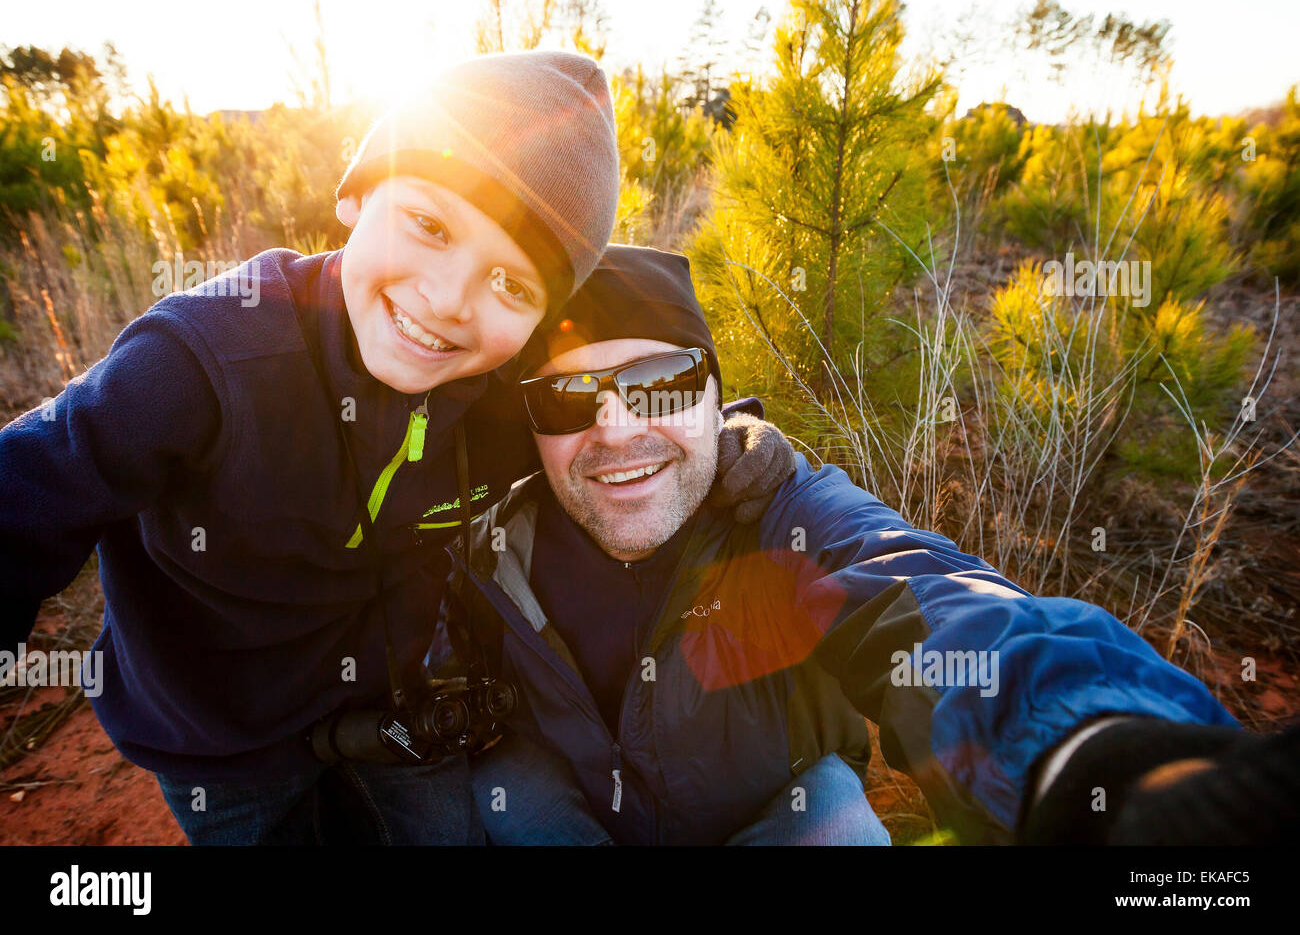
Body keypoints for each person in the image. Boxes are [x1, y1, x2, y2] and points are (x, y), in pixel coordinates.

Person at [0, 53, 787, 845]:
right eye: (430, 226)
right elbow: (27, 494)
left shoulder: (503, 396)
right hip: (221, 744)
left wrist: (731, 438)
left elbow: (612, 423)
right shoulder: (204, 363)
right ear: (356, 194)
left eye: (512, 284)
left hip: (399, 711)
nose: (446, 301)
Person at [441, 244, 1278, 846]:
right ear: (530, 426)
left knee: (836, 819)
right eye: (567, 399)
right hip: (572, 820)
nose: (617, 429)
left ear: (715, 398)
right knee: (491, 788)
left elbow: (919, 588)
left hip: (775, 817)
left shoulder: (786, 513)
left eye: (659, 384)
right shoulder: (487, 552)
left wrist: (1091, 755)